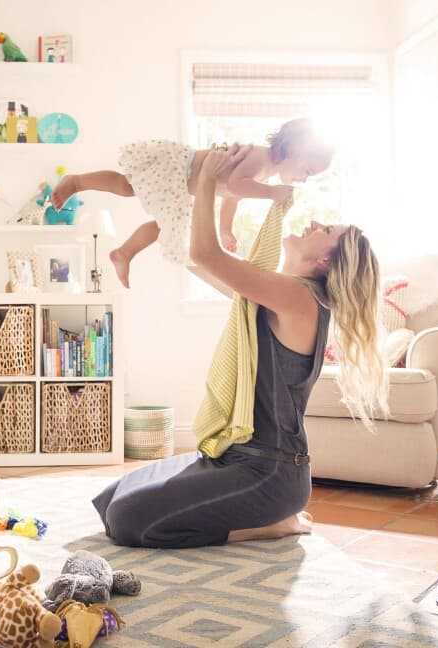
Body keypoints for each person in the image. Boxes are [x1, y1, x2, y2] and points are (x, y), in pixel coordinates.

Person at [92, 144, 388, 548]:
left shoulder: (301, 298)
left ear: (325, 263)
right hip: (235, 457)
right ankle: (264, 514)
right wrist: (182, 206)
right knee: (110, 500)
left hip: (268, 472)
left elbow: (205, 252)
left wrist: (211, 181)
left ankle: (274, 524)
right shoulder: (272, 296)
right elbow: (198, 259)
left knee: (128, 520)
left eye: (327, 231)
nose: (316, 223)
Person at [50, 118, 333, 288]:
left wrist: (225, 230)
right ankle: (77, 183)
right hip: (180, 170)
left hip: (181, 186)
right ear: (295, 150)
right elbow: (236, 186)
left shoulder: (265, 172)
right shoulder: (260, 157)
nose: (303, 180)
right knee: (129, 188)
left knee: (157, 215)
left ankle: (123, 253)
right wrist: (271, 194)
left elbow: (230, 197)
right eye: (307, 171)